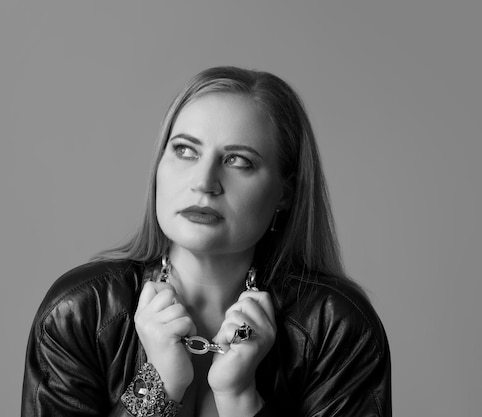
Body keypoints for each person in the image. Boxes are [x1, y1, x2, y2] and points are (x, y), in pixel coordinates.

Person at [21, 66, 391, 416]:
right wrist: (158, 386)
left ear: (286, 192)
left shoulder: (336, 326)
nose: (204, 181)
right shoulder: (81, 312)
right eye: (185, 150)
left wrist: (240, 398)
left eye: (238, 160)